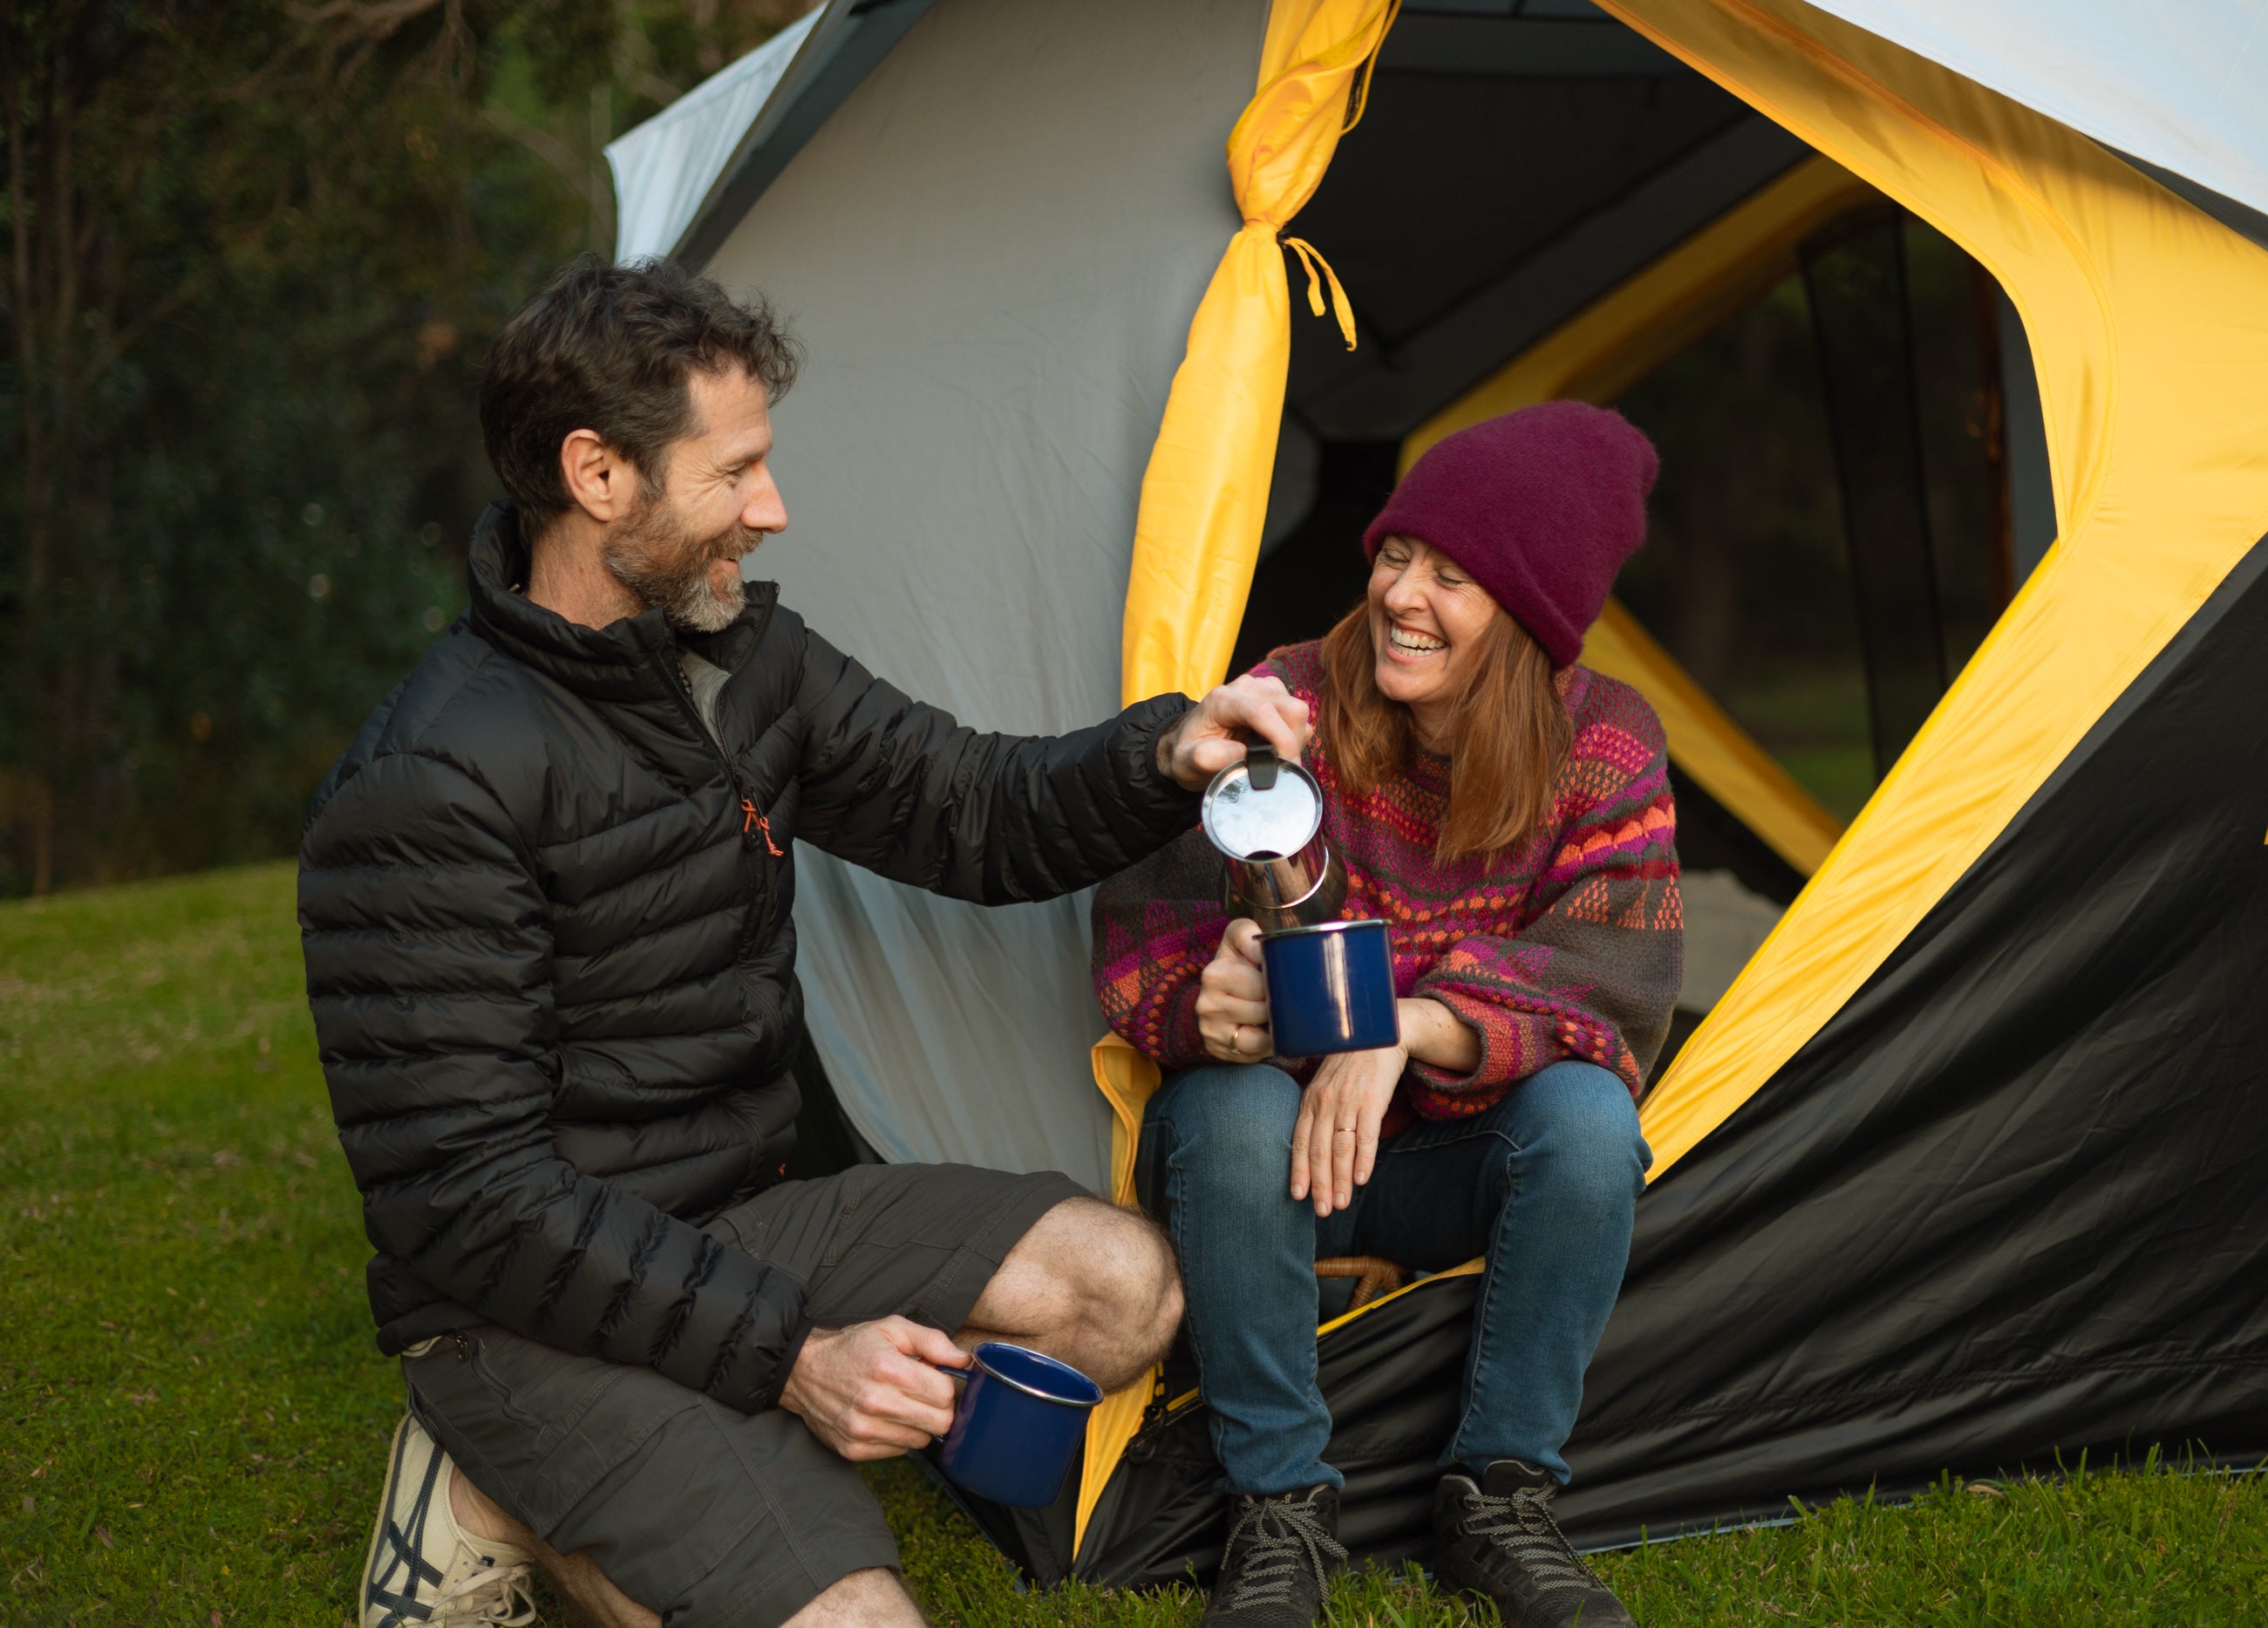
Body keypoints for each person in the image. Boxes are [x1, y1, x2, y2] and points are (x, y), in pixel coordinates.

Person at [298, 255, 1312, 1628]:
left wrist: (1165, 755)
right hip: (520, 1306)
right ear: (599, 476)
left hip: (747, 1224)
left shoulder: (741, 665)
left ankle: (682, 1453)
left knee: (1122, 1293)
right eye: (735, 473)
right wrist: (792, 1363)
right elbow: (473, 1206)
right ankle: (501, 1481)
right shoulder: (429, 782)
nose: (772, 509)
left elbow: (975, 810)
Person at [1093, 401, 1683, 1628]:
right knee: (1229, 1110)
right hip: (1268, 1163)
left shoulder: (1605, 744)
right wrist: (1211, 999)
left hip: (1448, 1155)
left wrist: (1400, 1026)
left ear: (1530, 616)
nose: (1402, 595)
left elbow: (1613, 984)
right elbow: (1146, 929)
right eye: (1396, 554)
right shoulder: (1289, 700)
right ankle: (1277, 1509)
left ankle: (1500, 1499)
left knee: (1587, 1122)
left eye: (1452, 577)